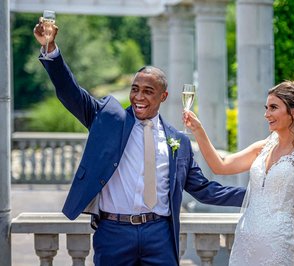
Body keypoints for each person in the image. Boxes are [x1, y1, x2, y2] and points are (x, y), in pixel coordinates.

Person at [33, 18, 245, 266]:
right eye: (135, 89)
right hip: (114, 232)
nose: (138, 97)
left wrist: (253, 195)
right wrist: (51, 50)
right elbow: (71, 93)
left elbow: (205, 190)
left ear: (163, 96)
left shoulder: (179, 142)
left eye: (148, 91)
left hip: (159, 235)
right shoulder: (109, 117)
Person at [183, 80, 294, 265]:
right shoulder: (262, 148)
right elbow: (221, 166)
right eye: (267, 108)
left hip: (281, 244)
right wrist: (198, 129)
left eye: (273, 107)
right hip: (246, 242)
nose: (266, 114)